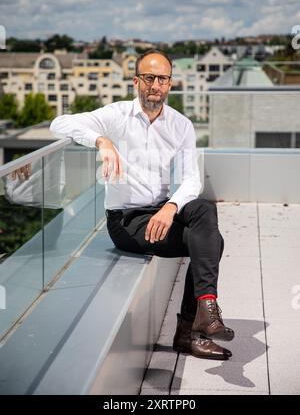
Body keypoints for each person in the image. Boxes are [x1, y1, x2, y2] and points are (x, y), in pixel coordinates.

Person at [50, 49, 234, 361]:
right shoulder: (117, 115)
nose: (155, 85)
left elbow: (192, 180)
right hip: (126, 220)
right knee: (210, 243)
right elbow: (59, 123)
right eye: (149, 78)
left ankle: (206, 306)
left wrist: (170, 207)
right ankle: (191, 332)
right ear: (137, 81)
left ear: (170, 84)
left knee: (204, 212)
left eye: (162, 79)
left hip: (162, 207)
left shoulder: (181, 125)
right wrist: (102, 141)